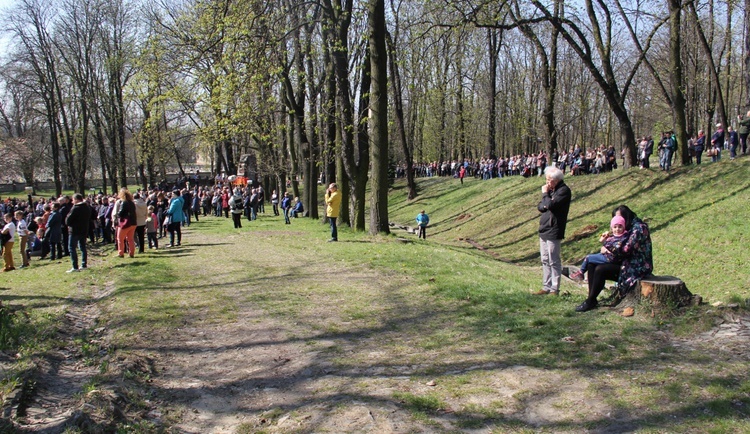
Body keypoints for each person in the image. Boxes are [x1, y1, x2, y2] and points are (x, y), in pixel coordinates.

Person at [576, 205, 653, 312]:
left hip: (636, 267)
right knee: (592, 263)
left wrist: (607, 245)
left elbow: (625, 250)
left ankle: (590, 301)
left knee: (601, 269)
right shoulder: (625, 227)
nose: (618, 224)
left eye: (620, 219)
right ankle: (591, 299)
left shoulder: (639, 228)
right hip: (623, 262)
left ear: (627, 217)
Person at [533, 166, 571, 296]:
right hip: (544, 228)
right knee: (544, 258)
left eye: (549, 180)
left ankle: (555, 288)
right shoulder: (551, 191)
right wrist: (546, 199)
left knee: (553, 259)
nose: (547, 182)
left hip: (554, 229)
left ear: (556, 180)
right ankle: (546, 286)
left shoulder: (563, 191)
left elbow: (550, 205)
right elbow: (541, 206)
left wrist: (545, 195)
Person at [569, 216, 628, 281]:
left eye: (620, 227)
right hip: (607, 256)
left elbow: (613, 249)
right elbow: (606, 246)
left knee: (588, 258)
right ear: (611, 228)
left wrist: (605, 245)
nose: (617, 229)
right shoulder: (614, 236)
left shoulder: (623, 238)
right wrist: (604, 240)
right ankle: (590, 278)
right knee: (591, 262)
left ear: (623, 227)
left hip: (610, 259)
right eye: (615, 227)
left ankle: (581, 273)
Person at [65, 193, 90, 272]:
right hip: (84, 229)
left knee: (72, 248)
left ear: (76, 199)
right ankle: (84, 264)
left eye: (73, 200)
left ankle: (75, 266)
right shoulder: (87, 207)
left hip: (75, 231)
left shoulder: (75, 208)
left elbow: (68, 220)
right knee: (83, 247)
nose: (72, 202)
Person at [116, 189, 137, 258]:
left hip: (125, 223)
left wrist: (117, 215)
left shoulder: (124, 202)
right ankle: (131, 253)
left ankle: (121, 253)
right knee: (130, 239)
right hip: (133, 223)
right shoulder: (132, 203)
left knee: (120, 238)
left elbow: (120, 213)